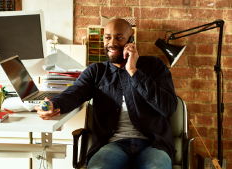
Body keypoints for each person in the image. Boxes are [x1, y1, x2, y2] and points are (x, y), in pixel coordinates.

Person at [35, 19, 177, 169]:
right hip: (112, 145)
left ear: (131, 41)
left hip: (153, 145)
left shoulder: (155, 66)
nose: (112, 43)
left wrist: (133, 72)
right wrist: (54, 104)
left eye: (119, 37)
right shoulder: (96, 71)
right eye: (108, 37)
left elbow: (168, 108)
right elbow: (74, 93)